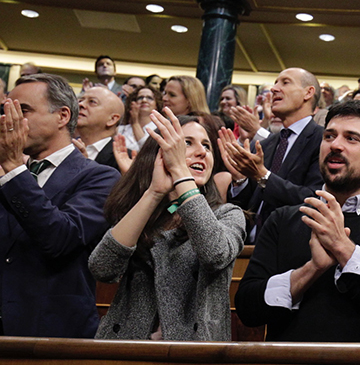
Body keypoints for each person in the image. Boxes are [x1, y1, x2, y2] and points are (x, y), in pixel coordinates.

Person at [235, 100, 360, 342]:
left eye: (352, 138)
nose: (335, 145)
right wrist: (312, 269)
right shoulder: (284, 219)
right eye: (329, 136)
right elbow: (247, 310)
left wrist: (344, 249)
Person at [90, 111, 245, 340]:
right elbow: (103, 268)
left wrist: (181, 175)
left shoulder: (228, 214)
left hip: (195, 353)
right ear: (160, 155)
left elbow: (215, 254)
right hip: (126, 348)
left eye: (207, 146)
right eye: (187, 144)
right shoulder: (144, 212)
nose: (202, 152)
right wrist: (154, 193)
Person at [0, 73, 120, 337]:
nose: (10, 120)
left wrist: (11, 168)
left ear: (62, 116)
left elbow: (60, 238)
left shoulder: (100, 177)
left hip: (50, 332)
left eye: (23, 110)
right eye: (5, 110)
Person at [220, 68, 324, 242]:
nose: (275, 89)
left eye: (285, 82)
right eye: (275, 83)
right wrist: (240, 180)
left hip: (287, 247)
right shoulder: (268, 143)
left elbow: (313, 198)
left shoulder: (323, 139)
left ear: (308, 92)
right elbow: (251, 204)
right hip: (247, 247)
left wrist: (263, 176)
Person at [75, 85, 123, 170]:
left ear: (112, 119)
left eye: (92, 102)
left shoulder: (123, 159)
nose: (81, 104)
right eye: (81, 100)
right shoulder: (63, 147)